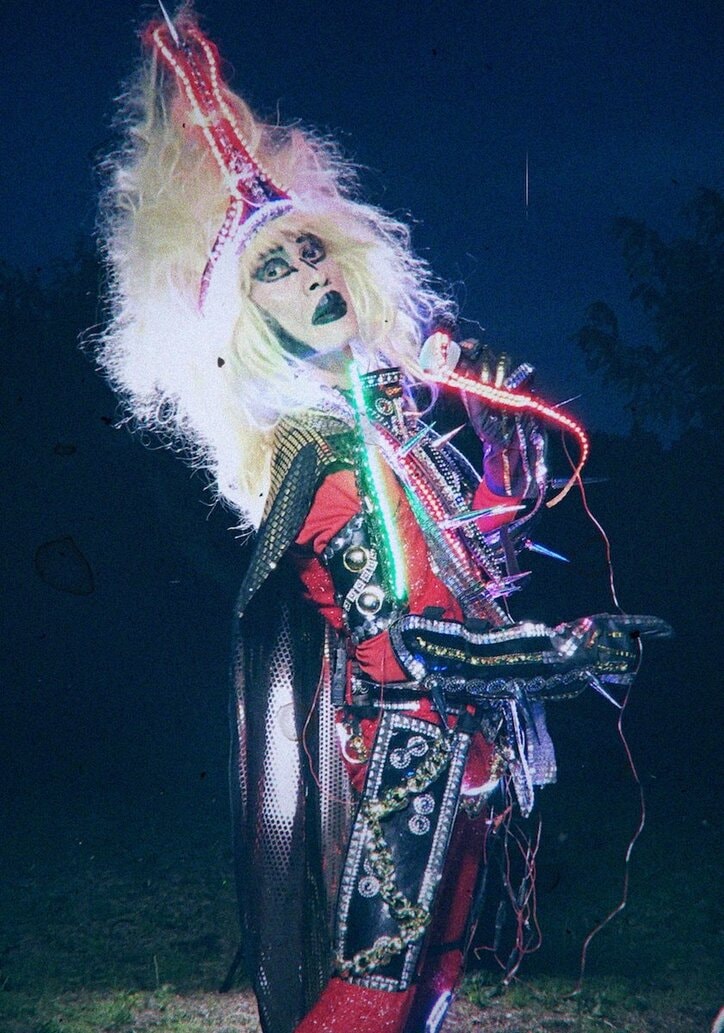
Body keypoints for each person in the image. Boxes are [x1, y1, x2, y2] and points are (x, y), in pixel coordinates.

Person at [96, 12, 669, 1033]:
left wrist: (501, 443)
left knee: (433, 987)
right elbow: (409, 643)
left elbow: (475, 559)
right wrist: (568, 652)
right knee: (374, 992)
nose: (311, 275)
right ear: (243, 320)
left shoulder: (381, 419)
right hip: (404, 761)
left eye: (311, 251)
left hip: (469, 753)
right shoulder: (318, 455)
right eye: (274, 270)